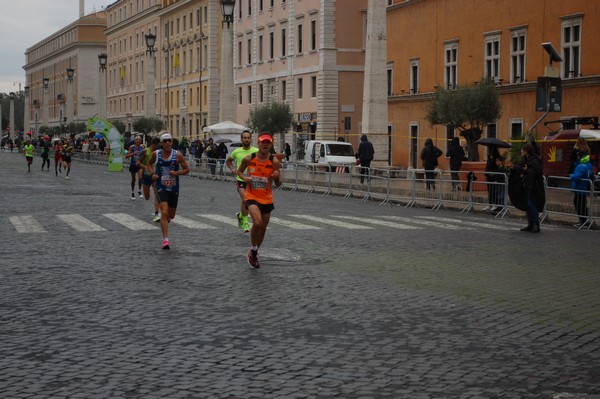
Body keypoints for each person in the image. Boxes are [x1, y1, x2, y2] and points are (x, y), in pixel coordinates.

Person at [236, 134, 282, 268]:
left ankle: (254, 252)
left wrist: (277, 178)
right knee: (257, 222)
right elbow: (239, 172)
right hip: (252, 196)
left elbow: (279, 183)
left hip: (267, 198)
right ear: (259, 143)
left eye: (268, 143)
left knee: (262, 229)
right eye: (263, 142)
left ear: (271, 145)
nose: (265, 145)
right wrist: (245, 179)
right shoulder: (249, 158)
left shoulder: (274, 162)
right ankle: (253, 248)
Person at [147, 132, 190, 250]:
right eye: (165, 141)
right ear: (161, 143)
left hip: (174, 188)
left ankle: (165, 220)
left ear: (172, 142)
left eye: (169, 141)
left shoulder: (178, 155)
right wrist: (153, 174)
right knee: (164, 212)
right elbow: (149, 164)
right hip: (161, 186)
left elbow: (187, 169)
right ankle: (165, 240)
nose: (167, 143)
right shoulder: (156, 154)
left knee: (171, 215)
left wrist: (176, 173)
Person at [226, 130, 258, 233]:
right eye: (244, 138)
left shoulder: (256, 151)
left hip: (253, 181)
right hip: (241, 180)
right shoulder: (237, 151)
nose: (246, 139)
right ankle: (245, 223)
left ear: (250, 139)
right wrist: (232, 169)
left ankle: (240, 215)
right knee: (245, 200)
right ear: (241, 139)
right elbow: (228, 161)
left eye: (248, 138)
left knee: (251, 202)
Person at [515, 143, 545, 233]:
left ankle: (536, 225)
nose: (521, 152)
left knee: (532, 205)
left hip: (533, 186)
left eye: (522, 150)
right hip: (526, 185)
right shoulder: (526, 159)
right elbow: (520, 166)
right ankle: (530, 224)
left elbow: (534, 172)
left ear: (526, 151)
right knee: (528, 205)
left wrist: (526, 170)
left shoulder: (535, 160)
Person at [569, 150, 594, 228]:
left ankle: (583, 222)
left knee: (579, 205)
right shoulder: (589, 164)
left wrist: (571, 175)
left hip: (579, 188)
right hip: (585, 188)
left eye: (577, 155)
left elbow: (576, 176)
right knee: (583, 205)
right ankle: (584, 221)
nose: (577, 157)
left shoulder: (581, 166)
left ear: (580, 156)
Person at [140, 137, 162, 222]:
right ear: (154, 144)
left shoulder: (159, 153)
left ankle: (156, 214)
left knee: (157, 194)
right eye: (158, 145)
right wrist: (146, 167)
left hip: (156, 176)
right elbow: (138, 162)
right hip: (146, 176)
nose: (159, 147)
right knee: (147, 197)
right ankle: (146, 189)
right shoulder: (145, 151)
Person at [484, 145, 502, 210]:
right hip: (489, 177)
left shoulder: (498, 157)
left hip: (495, 177)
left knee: (494, 191)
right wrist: (487, 173)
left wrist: (493, 172)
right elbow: (487, 166)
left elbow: (499, 166)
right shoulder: (489, 157)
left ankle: (495, 204)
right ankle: (490, 204)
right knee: (490, 191)